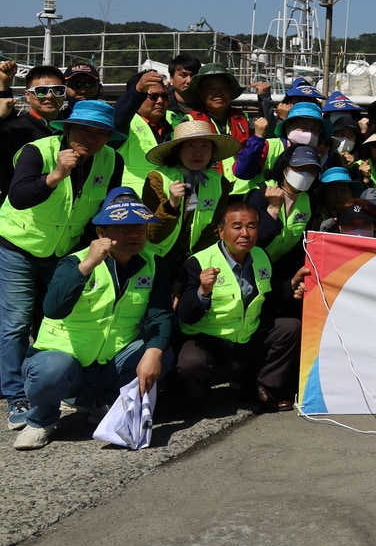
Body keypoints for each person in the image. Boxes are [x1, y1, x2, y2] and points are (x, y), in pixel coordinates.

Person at [13, 188, 173, 451]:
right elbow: (52, 308)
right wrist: (86, 266)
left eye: (139, 227)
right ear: (101, 234)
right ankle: (41, 420)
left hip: (111, 361)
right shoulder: (74, 262)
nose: (133, 234)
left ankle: (102, 404)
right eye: (122, 227)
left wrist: (154, 351)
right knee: (51, 370)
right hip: (65, 359)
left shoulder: (154, 263)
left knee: (161, 353)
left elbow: (161, 314)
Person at [0, 100, 126, 426]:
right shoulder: (37, 151)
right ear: (66, 128)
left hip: (65, 251)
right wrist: (56, 175)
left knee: (56, 320)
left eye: (100, 132)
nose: (90, 137)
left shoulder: (112, 159)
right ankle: (16, 396)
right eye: (83, 128)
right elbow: (18, 196)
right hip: (19, 245)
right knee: (16, 323)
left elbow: (102, 211)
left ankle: (65, 390)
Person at [172, 201, 303, 412]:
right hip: (207, 339)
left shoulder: (262, 256)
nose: (245, 233)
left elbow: (270, 301)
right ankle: (194, 397)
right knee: (190, 366)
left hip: (246, 337)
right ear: (221, 231)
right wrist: (203, 291)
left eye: (251, 226)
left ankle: (262, 389)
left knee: (289, 328)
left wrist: (292, 285)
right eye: (237, 226)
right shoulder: (198, 262)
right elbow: (186, 315)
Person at [144, 120, 240, 274]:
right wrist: (171, 205)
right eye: (190, 146)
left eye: (205, 146)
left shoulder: (220, 182)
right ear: (177, 150)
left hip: (195, 260)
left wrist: (193, 263)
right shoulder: (158, 178)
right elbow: (152, 235)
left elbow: (214, 230)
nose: (198, 153)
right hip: (156, 258)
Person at [0, 64, 65, 198]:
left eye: (58, 90)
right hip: (18, 211)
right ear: (27, 95)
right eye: (41, 90)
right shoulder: (12, 129)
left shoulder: (74, 130)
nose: (50, 96)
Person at [112, 69, 175, 189]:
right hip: (132, 202)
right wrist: (137, 91)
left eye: (164, 96)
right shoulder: (125, 125)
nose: (160, 101)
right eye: (153, 96)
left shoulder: (173, 126)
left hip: (168, 201)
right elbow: (116, 118)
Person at [165, 53, 203, 120]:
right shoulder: (163, 105)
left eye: (193, 76)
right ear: (171, 78)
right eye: (183, 76)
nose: (189, 81)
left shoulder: (208, 104)